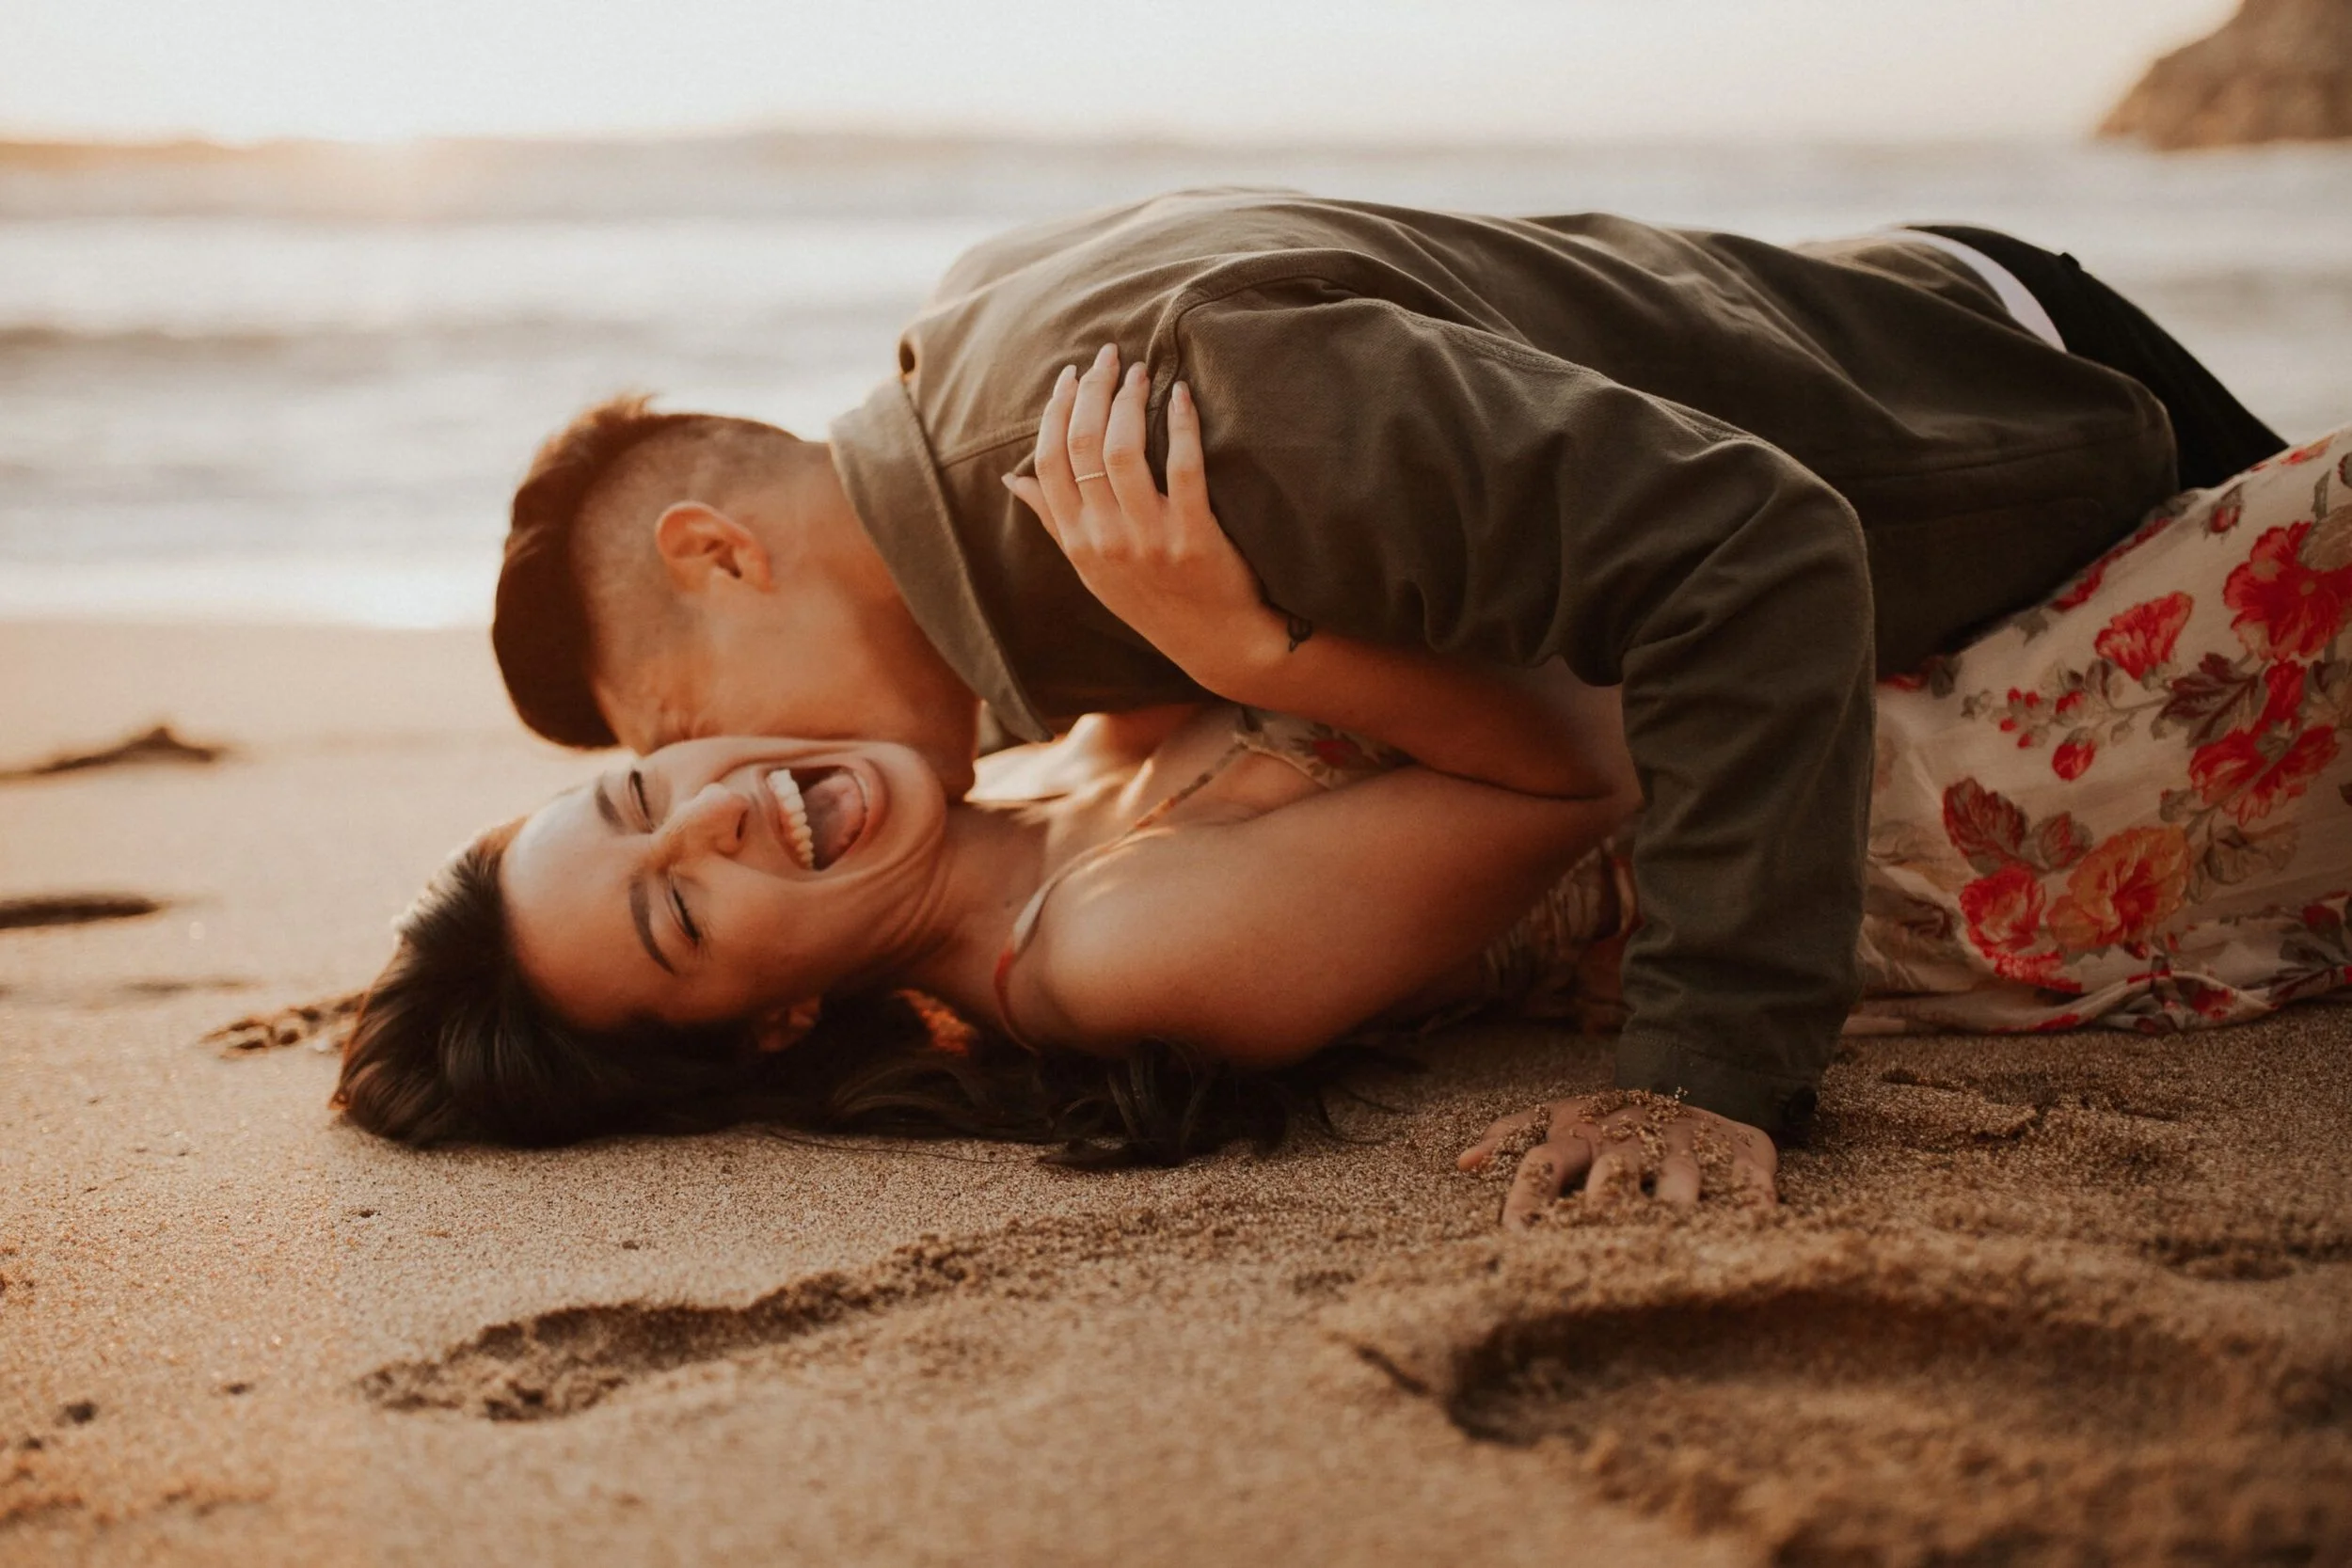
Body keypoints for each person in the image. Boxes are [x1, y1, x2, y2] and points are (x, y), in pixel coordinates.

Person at [487, 191, 2285, 1175]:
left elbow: (1762, 550)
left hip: (2003, 421)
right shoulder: (997, 375)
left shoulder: (1166, 440)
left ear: (720, 554)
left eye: (671, 738)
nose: (741, 774)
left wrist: (1712, 1068)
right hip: (1888, 308)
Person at [349, 417, 2352, 1224]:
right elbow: (1576, 769)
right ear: (776, 1027)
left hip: (1871, 650)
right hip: (1977, 798)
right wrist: (1252, 633)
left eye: (644, 788)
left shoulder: (1049, 768)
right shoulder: (1110, 950)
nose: (723, 815)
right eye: (681, 915)